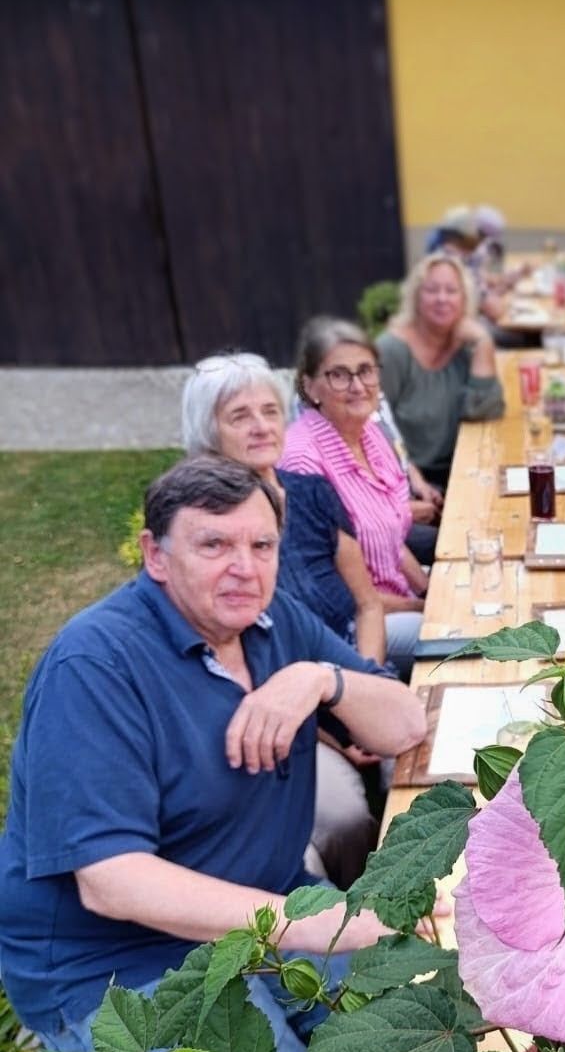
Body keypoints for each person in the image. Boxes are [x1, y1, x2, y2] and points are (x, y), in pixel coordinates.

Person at [0, 456, 425, 1052]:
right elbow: (112, 882)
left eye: (261, 546)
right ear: (155, 555)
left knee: (415, 1028)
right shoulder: (95, 664)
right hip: (120, 967)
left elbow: (405, 725)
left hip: (256, 899)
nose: (244, 567)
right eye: (214, 545)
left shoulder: (271, 622)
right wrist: (302, 925)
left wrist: (320, 680)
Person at [182, 352, 384, 887]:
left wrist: (362, 689)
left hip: (342, 668)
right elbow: (244, 673)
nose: (261, 425)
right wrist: (338, 731)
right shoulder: (203, 531)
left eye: (270, 410)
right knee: (345, 819)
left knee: (447, 665)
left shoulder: (313, 491)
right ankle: (360, 925)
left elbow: (368, 603)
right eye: (239, 415)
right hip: (282, 718)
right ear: (210, 433)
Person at [280, 319, 427, 673]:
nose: (358, 386)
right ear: (310, 386)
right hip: (358, 627)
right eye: (339, 375)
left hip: (399, 596)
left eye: (365, 371)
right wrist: (424, 607)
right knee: (480, 634)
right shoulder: (303, 464)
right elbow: (335, 596)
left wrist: (427, 587)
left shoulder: (371, 432)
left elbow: (390, 531)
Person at [377, 251, 505, 490]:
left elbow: (485, 411)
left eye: (451, 291)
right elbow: (370, 428)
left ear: (465, 299)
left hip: (462, 470)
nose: (442, 299)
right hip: (410, 481)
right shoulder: (391, 350)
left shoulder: (467, 345)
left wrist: (483, 341)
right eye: (432, 290)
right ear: (416, 297)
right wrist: (411, 485)